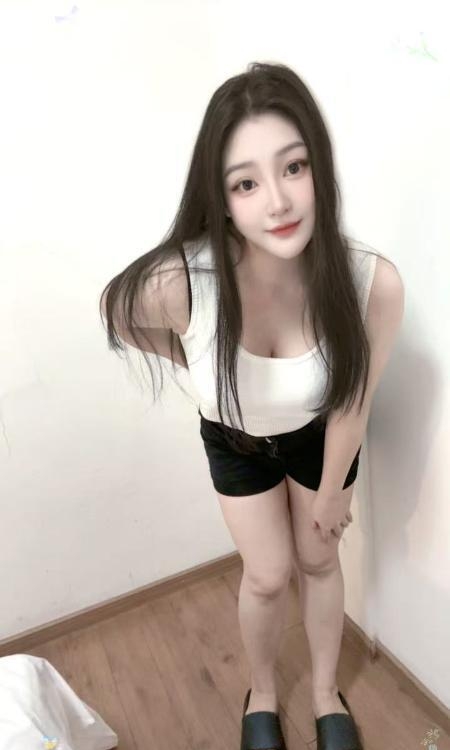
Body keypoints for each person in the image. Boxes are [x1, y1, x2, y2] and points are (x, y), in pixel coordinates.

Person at [100, 61, 404, 750]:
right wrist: (194, 361)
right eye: (246, 182)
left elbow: (354, 396)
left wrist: (334, 490)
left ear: (320, 165)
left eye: (294, 167)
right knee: (267, 577)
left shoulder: (371, 282)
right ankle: (262, 693)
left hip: (322, 436)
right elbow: (116, 310)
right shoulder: (186, 279)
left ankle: (325, 693)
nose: (278, 202)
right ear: (223, 197)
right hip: (234, 440)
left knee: (319, 562)